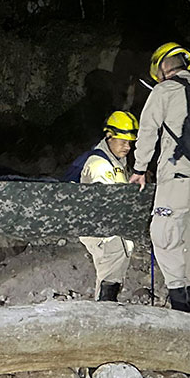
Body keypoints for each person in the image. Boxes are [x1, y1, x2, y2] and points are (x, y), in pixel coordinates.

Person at [129, 43, 190, 313]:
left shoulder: (164, 90)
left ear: (161, 66)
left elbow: (148, 131)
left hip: (178, 176)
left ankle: (179, 304)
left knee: (164, 235)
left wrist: (139, 169)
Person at [72, 111, 139, 301]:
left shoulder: (116, 160)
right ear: (109, 136)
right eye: (123, 141)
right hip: (102, 232)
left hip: (112, 229)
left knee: (114, 272)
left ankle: (106, 309)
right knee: (110, 274)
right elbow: (106, 204)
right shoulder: (99, 165)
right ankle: (103, 310)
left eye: (130, 142)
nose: (128, 146)